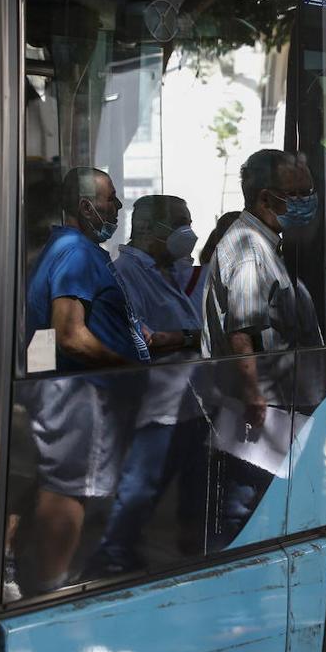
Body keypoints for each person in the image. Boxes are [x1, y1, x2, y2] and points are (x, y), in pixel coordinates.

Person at [22, 166, 150, 592]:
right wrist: (124, 364)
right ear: (85, 206)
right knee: (69, 490)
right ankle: (51, 587)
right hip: (82, 392)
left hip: (69, 389)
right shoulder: (76, 251)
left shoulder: (68, 247)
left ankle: (45, 577)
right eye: (111, 198)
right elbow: (68, 333)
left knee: (64, 485)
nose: (117, 207)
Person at [200, 149, 321, 546]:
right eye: (297, 193)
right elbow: (242, 332)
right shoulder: (250, 248)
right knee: (243, 516)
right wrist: (256, 399)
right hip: (256, 419)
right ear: (265, 198)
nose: (307, 200)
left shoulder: (262, 243)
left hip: (268, 413)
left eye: (309, 191)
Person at [93, 194, 207, 574]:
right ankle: (112, 556)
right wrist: (194, 338)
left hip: (187, 402)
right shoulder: (125, 273)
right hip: (154, 406)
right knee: (139, 489)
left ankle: (152, 554)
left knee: (179, 490)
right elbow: (145, 338)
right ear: (146, 228)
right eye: (179, 223)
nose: (187, 233)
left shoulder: (167, 269)